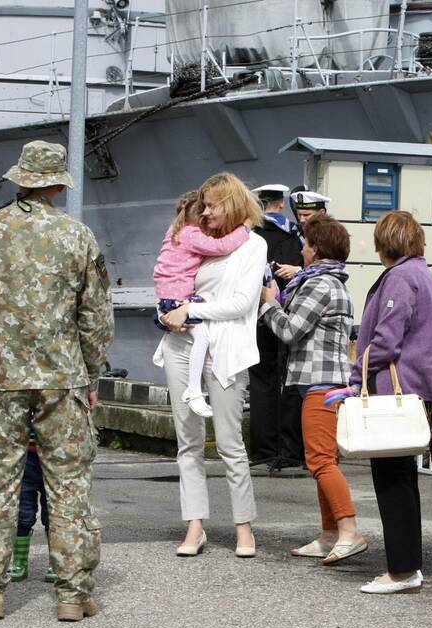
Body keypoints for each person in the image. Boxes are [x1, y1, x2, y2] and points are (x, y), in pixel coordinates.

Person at [0, 140, 114, 622]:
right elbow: (96, 317)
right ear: (57, 185)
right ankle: (72, 593)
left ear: (21, 180)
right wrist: (90, 372)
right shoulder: (76, 236)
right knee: (69, 483)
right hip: (62, 379)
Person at [156, 172, 267, 559]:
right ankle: (195, 525)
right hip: (181, 342)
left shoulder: (253, 245)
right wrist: (170, 311)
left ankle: (243, 526)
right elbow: (176, 282)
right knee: (187, 440)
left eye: (211, 205)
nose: (204, 212)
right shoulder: (200, 241)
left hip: (225, 349)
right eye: (202, 205)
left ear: (231, 203)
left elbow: (241, 302)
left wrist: (192, 308)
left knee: (230, 441)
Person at [341, 210, 432, 594]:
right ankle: (406, 564)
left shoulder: (401, 278)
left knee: (392, 481)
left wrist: (356, 378)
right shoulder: (425, 274)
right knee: (402, 480)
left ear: (384, 243)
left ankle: (402, 570)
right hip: (421, 387)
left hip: (394, 390)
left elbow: (386, 339)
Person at [259, 216, 367, 564]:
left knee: (320, 461)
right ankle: (329, 533)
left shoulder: (320, 285)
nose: (301, 248)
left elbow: (290, 331)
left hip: (322, 383)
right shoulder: (331, 283)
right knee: (323, 460)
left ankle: (349, 531)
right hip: (324, 382)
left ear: (315, 248)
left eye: (305, 243)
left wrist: (269, 303)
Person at [152, 190, 252, 418]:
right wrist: (243, 229)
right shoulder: (191, 234)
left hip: (167, 298)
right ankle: (194, 390)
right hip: (179, 299)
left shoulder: (174, 232)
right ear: (199, 218)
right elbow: (221, 247)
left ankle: (189, 385)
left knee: (197, 336)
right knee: (203, 337)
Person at [248, 184, 305, 471]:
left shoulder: (251, 234)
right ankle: (290, 447)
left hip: (257, 312)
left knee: (261, 380)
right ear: (281, 204)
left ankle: (263, 449)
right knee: (290, 379)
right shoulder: (294, 234)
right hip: (290, 312)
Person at [10, 430, 55, 583]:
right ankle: (19, 562)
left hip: (55, 452)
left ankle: (56, 561)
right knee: (23, 513)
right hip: (23, 454)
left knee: (54, 513)